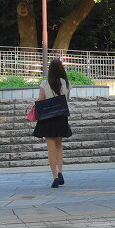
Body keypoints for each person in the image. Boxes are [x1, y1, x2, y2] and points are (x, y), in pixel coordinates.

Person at [33, 58, 72, 188]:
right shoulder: (66, 83)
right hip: (61, 117)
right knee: (59, 146)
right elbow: (67, 100)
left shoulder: (45, 83)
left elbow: (41, 99)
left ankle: (55, 177)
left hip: (48, 118)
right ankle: (60, 172)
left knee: (51, 150)